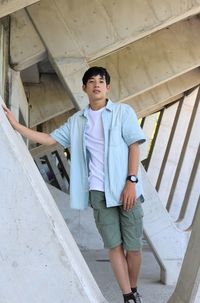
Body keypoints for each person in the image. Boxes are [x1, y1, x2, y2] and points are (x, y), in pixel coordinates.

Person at [3, 66, 145, 303]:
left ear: (107, 87)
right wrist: (17, 127)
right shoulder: (77, 121)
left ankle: (133, 286)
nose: (96, 85)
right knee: (114, 245)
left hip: (126, 189)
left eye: (101, 81)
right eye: (91, 81)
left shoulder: (123, 112)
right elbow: (49, 139)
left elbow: (134, 145)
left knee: (134, 248)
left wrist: (131, 181)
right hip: (98, 191)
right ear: (84, 88)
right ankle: (128, 296)